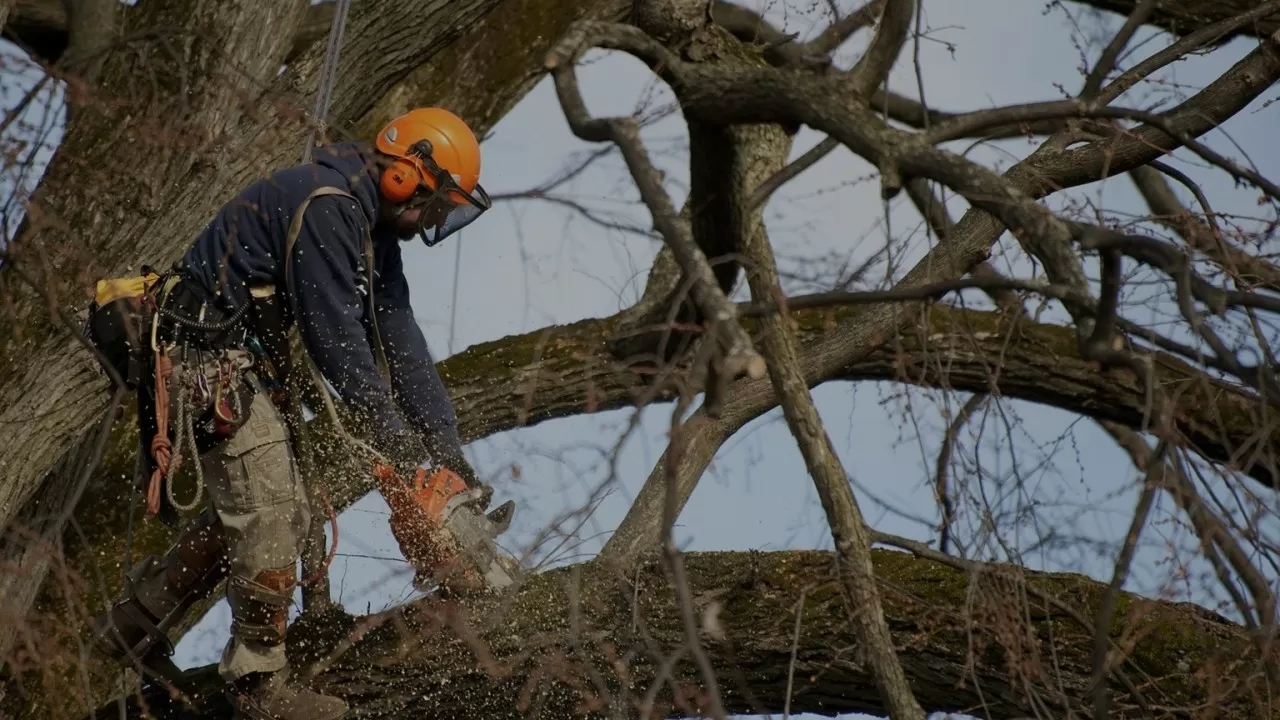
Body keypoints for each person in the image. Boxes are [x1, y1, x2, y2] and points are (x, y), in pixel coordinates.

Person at [85, 107, 503, 720]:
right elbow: (340, 344)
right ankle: (259, 685)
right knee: (271, 509)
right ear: (406, 174)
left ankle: (133, 622)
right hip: (204, 354)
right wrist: (399, 450)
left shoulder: (374, 233)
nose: (431, 221)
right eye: (433, 204)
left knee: (287, 506)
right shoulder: (330, 206)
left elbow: (399, 338)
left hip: (242, 363)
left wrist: (445, 452)